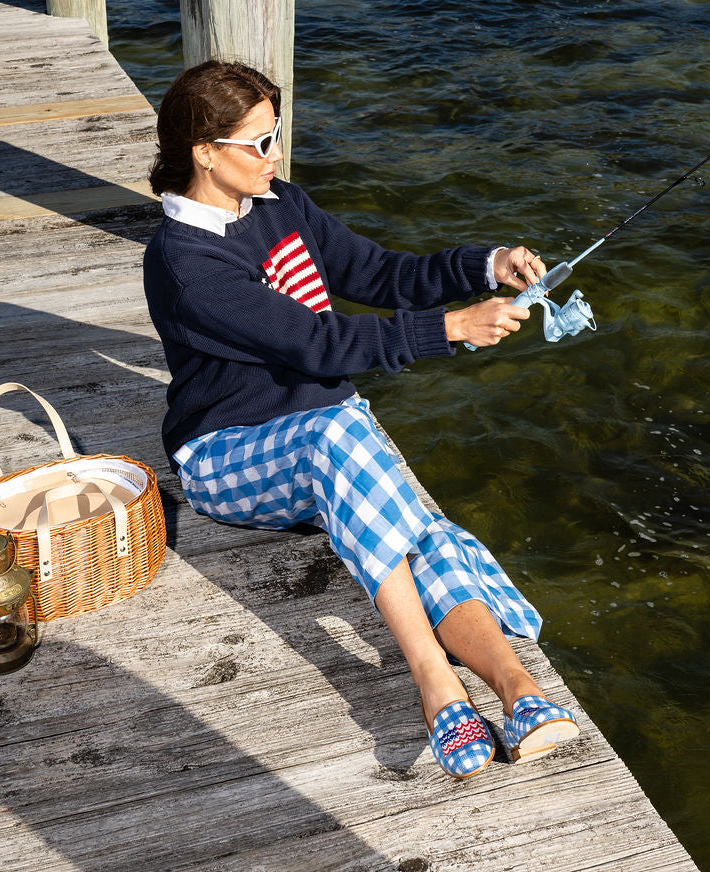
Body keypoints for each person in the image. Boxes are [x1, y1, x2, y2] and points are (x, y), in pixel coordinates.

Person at [143, 59, 579, 777]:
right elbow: (321, 342)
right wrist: (452, 329)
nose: (274, 154)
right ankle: (435, 687)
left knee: (415, 528)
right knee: (340, 433)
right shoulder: (186, 263)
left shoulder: (279, 203)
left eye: (274, 135)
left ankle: (518, 688)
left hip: (321, 435)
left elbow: (378, 275)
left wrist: (486, 263)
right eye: (258, 143)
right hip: (225, 455)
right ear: (204, 153)